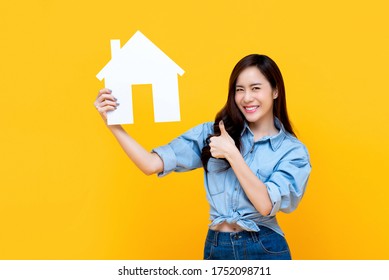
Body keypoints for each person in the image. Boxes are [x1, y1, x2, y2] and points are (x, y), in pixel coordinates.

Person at [94, 54, 311, 260]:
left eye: (256, 88)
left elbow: (265, 205)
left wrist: (232, 154)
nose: (246, 98)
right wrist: (113, 124)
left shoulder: (292, 152)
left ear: (275, 91)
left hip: (264, 248)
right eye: (239, 90)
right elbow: (150, 164)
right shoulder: (212, 133)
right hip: (217, 247)